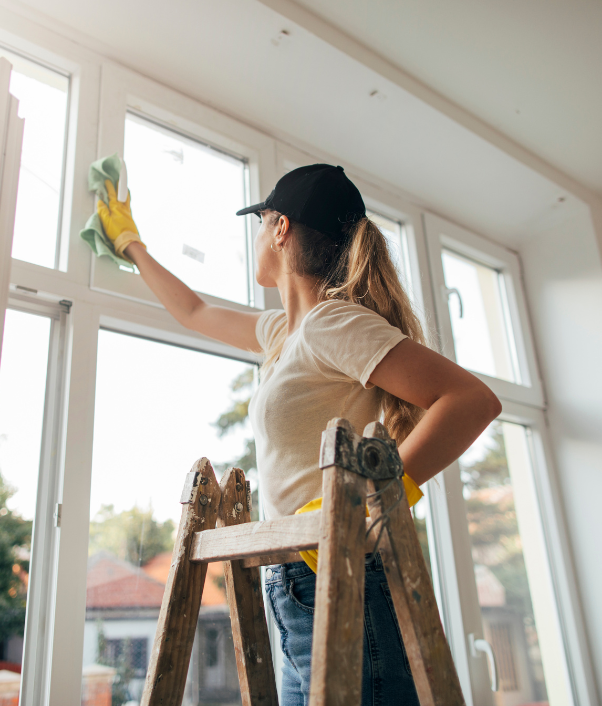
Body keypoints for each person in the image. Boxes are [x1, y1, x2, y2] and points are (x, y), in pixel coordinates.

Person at [97, 163, 501, 705]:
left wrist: (370, 502)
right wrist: (131, 244)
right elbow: (193, 310)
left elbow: (472, 401)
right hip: (295, 587)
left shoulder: (334, 323)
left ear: (280, 227)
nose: (256, 237)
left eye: (260, 223)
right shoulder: (282, 334)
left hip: (344, 578)